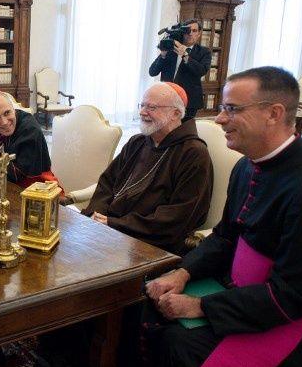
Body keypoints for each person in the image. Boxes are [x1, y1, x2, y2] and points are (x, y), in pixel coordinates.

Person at [140, 67, 302, 367]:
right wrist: (183, 274)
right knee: (148, 304)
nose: (221, 118)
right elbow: (225, 237)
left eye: (233, 109)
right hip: (248, 297)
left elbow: (295, 296)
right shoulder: (247, 166)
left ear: (274, 114)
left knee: (182, 343)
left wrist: (202, 307)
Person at [73, 82, 213, 256]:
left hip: (152, 244)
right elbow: (107, 183)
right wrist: (96, 216)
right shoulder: (137, 142)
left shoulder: (193, 153)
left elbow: (178, 217)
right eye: (143, 105)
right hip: (109, 231)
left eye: (152, 107)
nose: (142, 112)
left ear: (175, 113)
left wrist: (113, 224)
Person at [149, 19, 211, 121]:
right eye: (187, 30)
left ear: (199, 34)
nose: (190, 33)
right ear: (183, 32)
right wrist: (163, 55)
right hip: (166, 98)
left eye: (194, 31)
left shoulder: (204, 52)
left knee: (184, 131)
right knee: (164, 128)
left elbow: (201, 71)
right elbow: (152, 72)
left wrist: (185, 55)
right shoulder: (170, 48)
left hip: (189, 100)